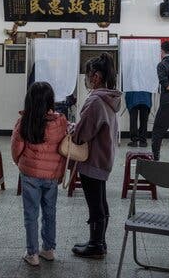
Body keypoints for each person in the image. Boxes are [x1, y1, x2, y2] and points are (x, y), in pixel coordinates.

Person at [11, 82, 68, 267]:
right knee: (50, 212)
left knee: (31, 214)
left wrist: (19, 162)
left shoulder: (25, 120)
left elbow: (16, 147)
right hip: (52, 176)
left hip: (29, 174)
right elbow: (64, 147)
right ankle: (49, 249)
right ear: (51, 100)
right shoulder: (60, 121)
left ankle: (32, 253)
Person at [71, 53, 121, 259]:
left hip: (93, 159)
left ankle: (96, 244)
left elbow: (82, 135)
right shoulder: (110, 98)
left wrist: (72, 129)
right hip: (104, 157)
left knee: (95, 202)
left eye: (89, 74)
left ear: (97, 76)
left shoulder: (95, 101)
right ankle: (99, 241)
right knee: (100, 199)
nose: (87, 78)